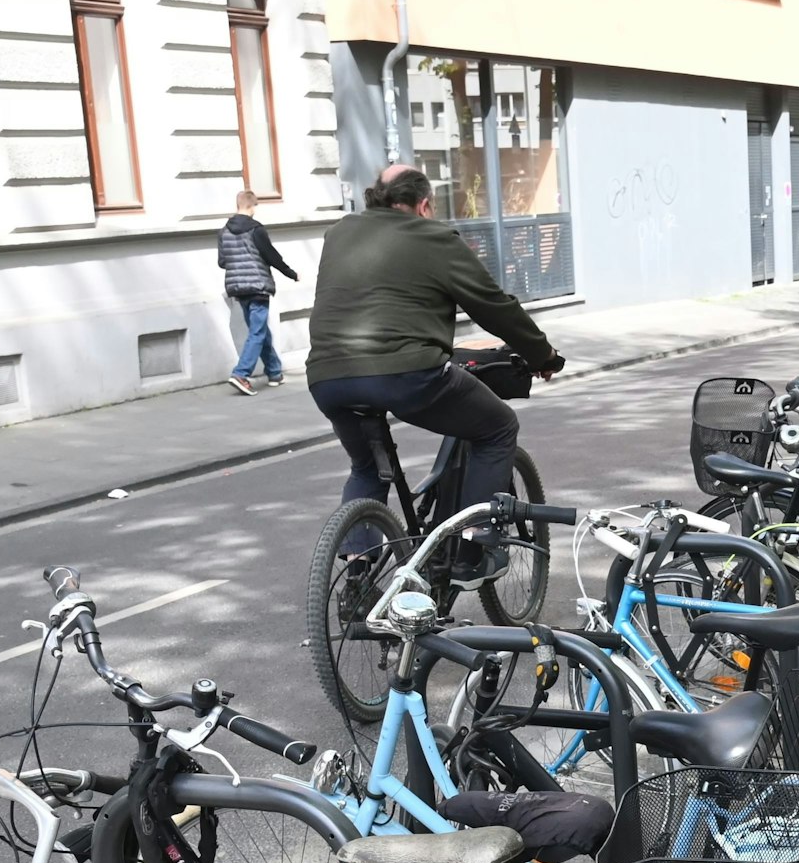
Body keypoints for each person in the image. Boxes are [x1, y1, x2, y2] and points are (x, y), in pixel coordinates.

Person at [306, 165, 564, 587]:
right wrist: (543, 355)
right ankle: (472, 551)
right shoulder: (434, 237)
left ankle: (357, 575)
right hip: (405, 373)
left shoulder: (339, 233)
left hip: (327, 376)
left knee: (366, 468)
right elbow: (493, 306)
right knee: (498, 428)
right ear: (424, 204)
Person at [218, 190, 299, 395]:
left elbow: (222, 262)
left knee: (260, 330)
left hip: (238, 288)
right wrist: (291, 273)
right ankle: (241, 374)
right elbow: (272, 257)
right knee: (257, 332)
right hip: (258, 286)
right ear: (251, 206)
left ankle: (274, 372)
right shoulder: (256, 229)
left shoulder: (224, 232)